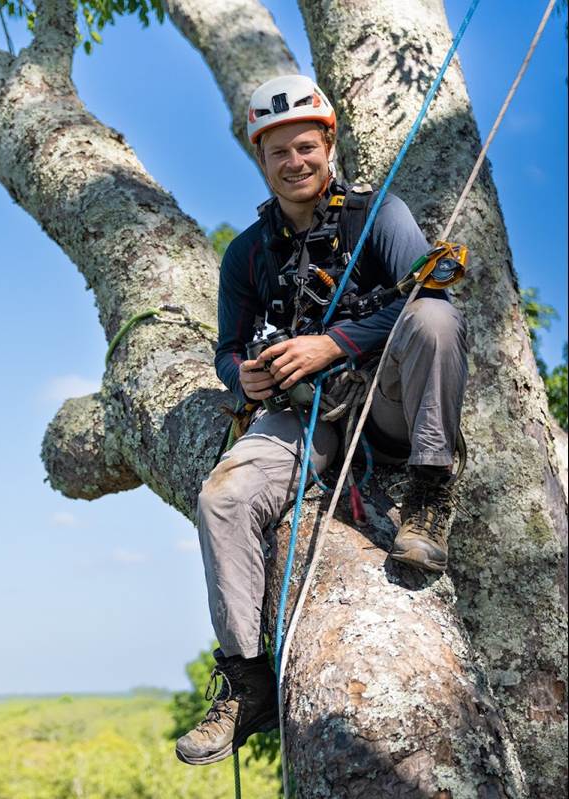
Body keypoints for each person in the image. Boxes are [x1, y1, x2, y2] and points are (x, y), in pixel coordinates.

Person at [174, 75, 468, 766]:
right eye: (278, 152)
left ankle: (428, 498)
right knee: (224, 497)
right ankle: (246, 680)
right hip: (302, 415)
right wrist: (237, 373)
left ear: (328, 144)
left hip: (383, 403)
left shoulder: (379, 214)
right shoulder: (247, 254)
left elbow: (429, 303)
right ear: (261, 159)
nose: (294, 161)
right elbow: (227, 346)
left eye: (306, 146)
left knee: (434, 315)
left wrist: (333, 342)